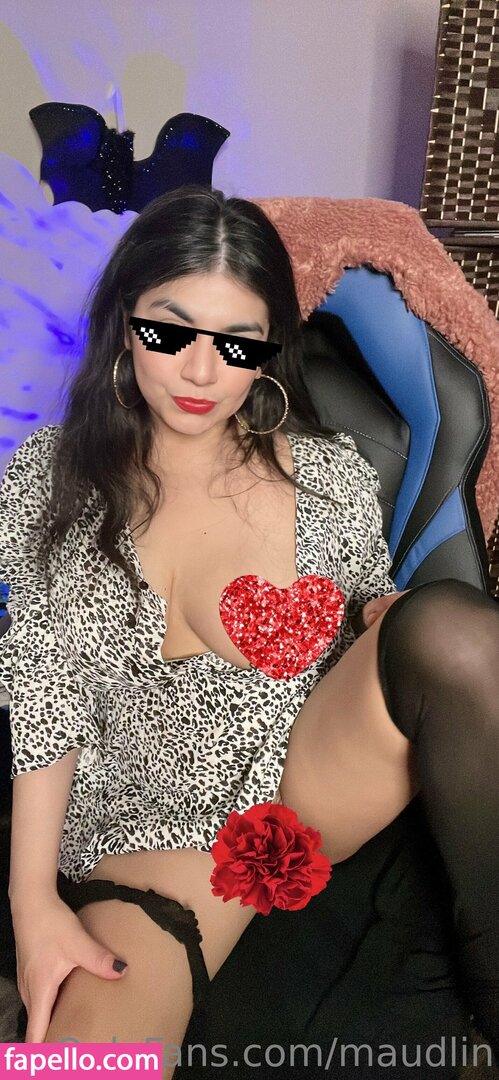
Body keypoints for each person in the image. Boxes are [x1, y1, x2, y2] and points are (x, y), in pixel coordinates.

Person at [0, 184, 498, 1079]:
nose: (201, 372)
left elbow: (369, 608)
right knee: (80, 1064)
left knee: (446, 629)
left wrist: (385, 613)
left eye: (237, 342)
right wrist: (32, 901)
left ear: (269, 348)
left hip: (304, 781)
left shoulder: (327, 475)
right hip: (151, 834)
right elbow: (44, 691)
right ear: (125, 320)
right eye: (171, 330)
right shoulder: (49, 477)